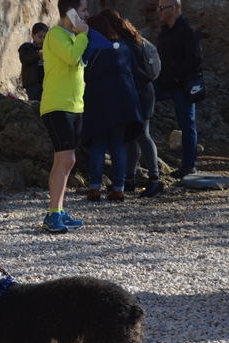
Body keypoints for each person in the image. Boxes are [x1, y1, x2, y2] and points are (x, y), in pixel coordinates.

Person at [101, 9, 164, 198]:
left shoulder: (124, 43)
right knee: (131, 136)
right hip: (140, 92)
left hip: (140, 93)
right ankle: (130, 179)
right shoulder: (129, 38)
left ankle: (155, 179)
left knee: (142, 134)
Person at [39, 0, 90, 232]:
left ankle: (58, 210)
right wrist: (83, 36)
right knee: (66, 158)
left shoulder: (73, 37)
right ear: (70, 12)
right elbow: (71, 57)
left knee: (66, 160)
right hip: (57, 105)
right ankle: (52, 214)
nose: (87, 15)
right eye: (83, 10)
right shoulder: (56, 35)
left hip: (75, 106)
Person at [81, 16, 143, 203]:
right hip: (124, 98)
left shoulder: (90, 47)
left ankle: (94, 189)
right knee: (117, 144)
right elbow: (134, 70)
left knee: (98, 144)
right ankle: (119, 189)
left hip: (97, 98)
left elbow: (81, 72)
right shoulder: (124, 45)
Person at [154, 0, 203, 179]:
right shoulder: (164, 32)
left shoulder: (189, 30)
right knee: (141, 102)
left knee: (187, 124)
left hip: (181, 85)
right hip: (164, 83)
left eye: (161, 8)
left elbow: (195, 59)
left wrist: (177, 76)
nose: (158, 12)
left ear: (173, 9)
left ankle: (189, 166)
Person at [19, 23, 49, 101]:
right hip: (32, 82)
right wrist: (37, 55)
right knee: (34, 102)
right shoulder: (27, 48)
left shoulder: (46, 49)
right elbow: (24, 60)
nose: (42, 40)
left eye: (44, 37)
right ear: (33, 35)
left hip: (44, 82)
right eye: (40, 37)